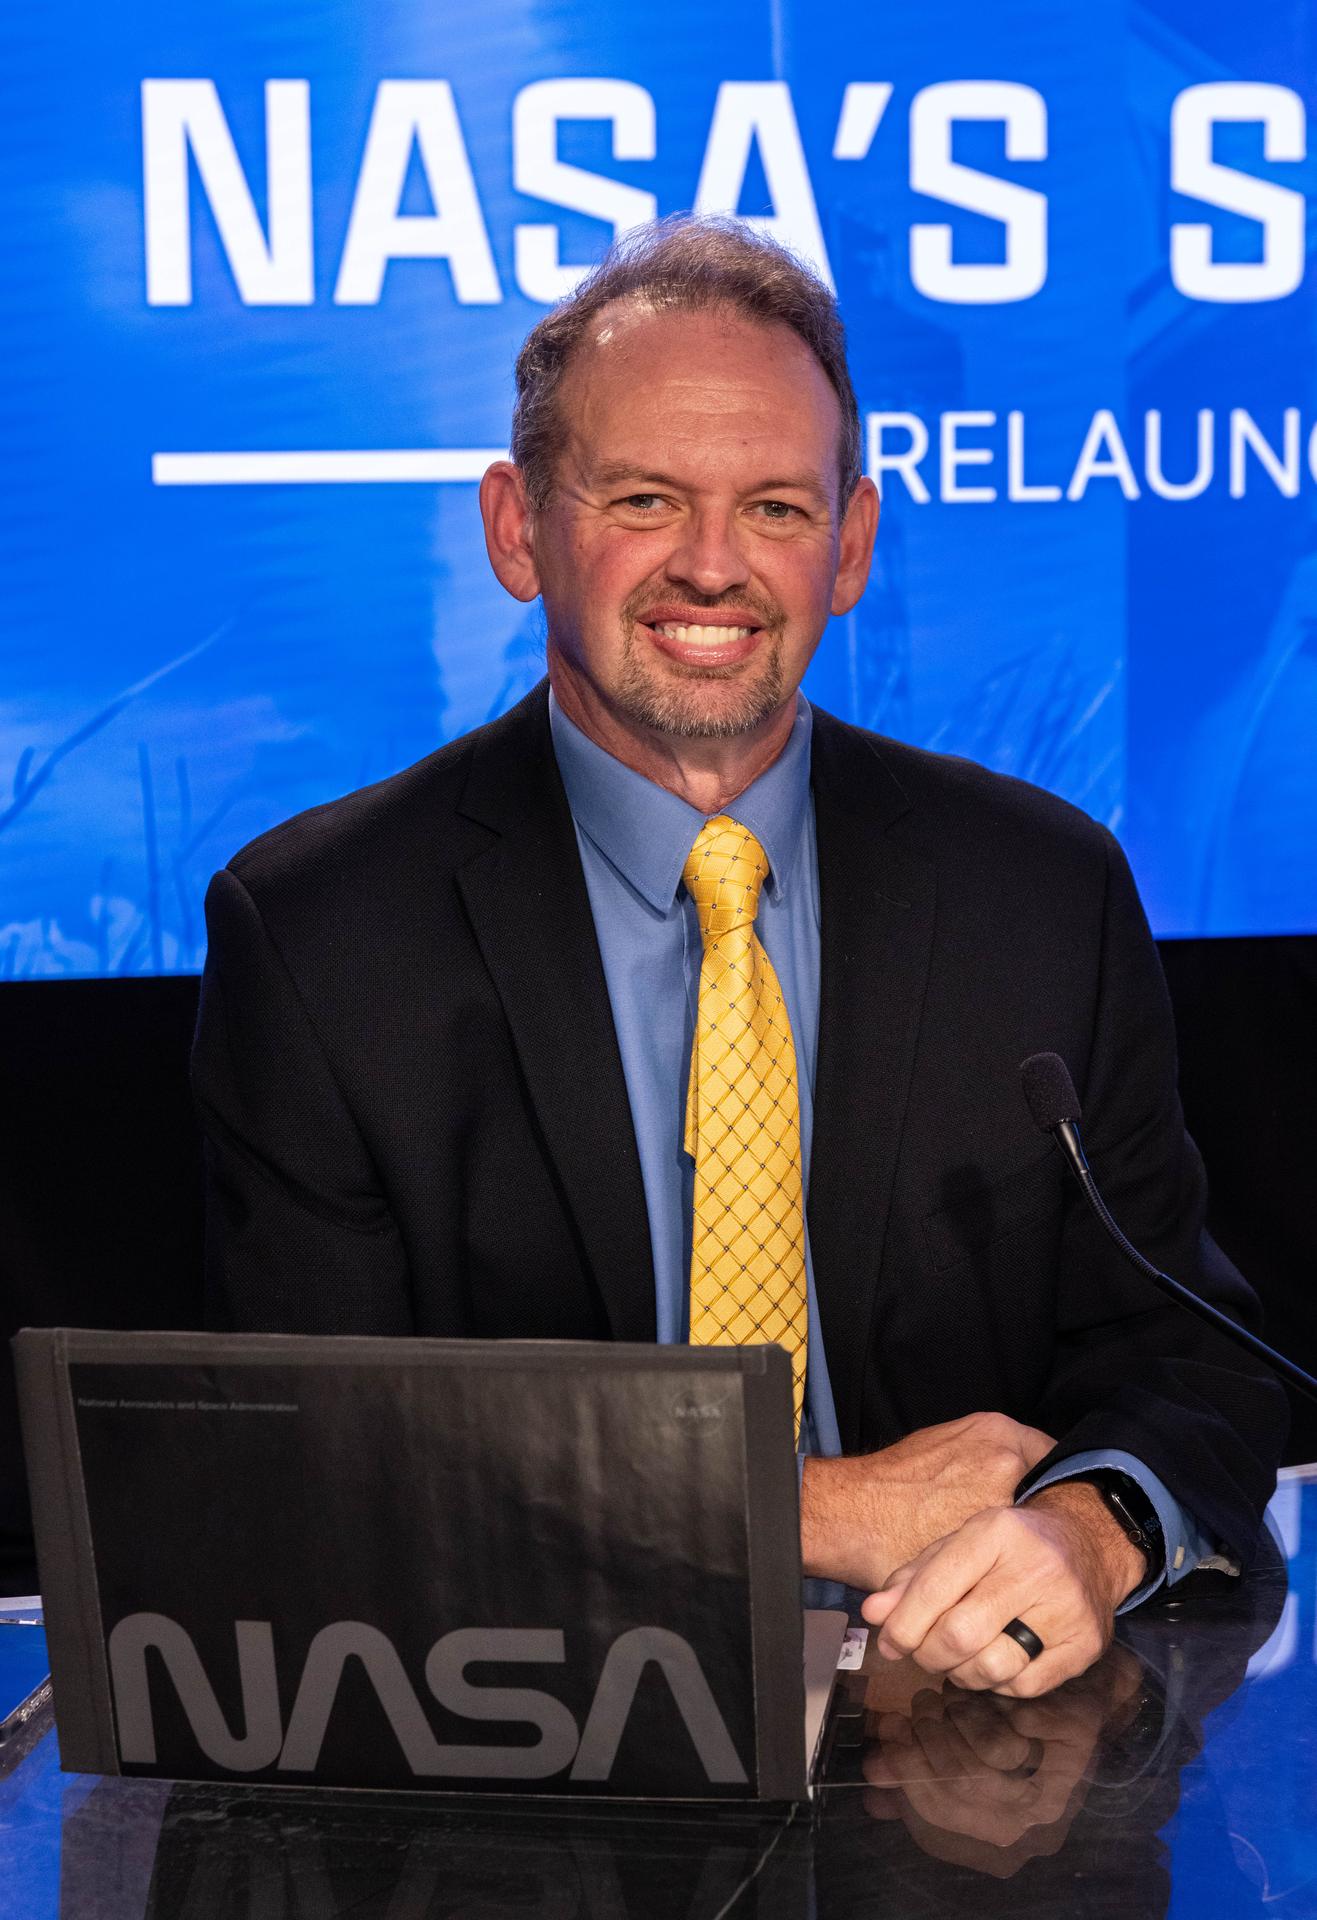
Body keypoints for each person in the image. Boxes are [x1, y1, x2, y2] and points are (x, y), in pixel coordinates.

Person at [193, 216, 1286, 1698]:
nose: (712, 568)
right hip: (533, 1762)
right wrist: (809, 1513)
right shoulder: (324, 933)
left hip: (981, 1754)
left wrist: (1087, 1535)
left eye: (775, 508)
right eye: (644, 497)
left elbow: (1193, 1363)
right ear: (517, 531)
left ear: (851, 547)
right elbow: (318, 1462)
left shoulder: (1041, 893)